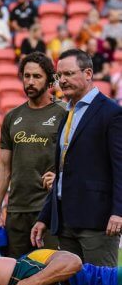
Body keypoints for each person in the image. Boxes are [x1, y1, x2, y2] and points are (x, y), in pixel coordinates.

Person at [32, 48, 122, 269]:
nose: (62, 80)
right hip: (66, 221)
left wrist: (119, 212)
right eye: (59, 75)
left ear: (89, 73)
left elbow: (120, 167)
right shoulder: (67, 114)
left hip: (98, 223)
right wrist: (45, 216)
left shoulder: (111, 113)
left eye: (69, 74)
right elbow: (62, 171)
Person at [0, 52, 63, 257]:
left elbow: (79, 159)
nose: (30, 82)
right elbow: (3, 166)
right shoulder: (12, 117)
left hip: (50, 210)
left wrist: (61, 176)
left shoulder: (64, 113)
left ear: (49, 79)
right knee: (13, 276)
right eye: (27, 76)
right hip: (16, 211)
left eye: (37, 77)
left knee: (48, 274)